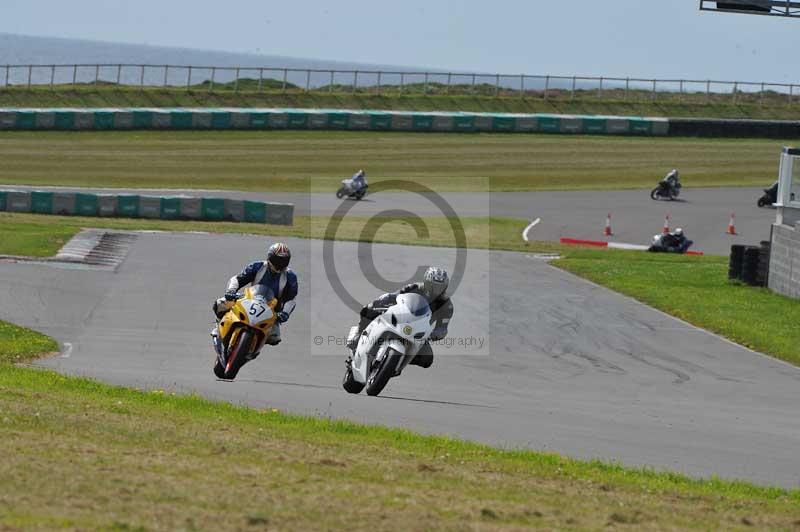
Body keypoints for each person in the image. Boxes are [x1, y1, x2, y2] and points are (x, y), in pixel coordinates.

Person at [346, 266, 453, 369]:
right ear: (426, 283)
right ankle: (358, 335)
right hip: (400, 317)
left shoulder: (446, 305)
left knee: (427, 359)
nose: (436, 290)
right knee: (368, 310)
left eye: (440, 287)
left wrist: (433, 335)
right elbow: (394, 296)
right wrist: (379, 303)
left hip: (418, 331)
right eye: (433, 286)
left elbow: (443, 328)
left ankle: (396, 363)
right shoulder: (414, 287)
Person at [211, 242, 298, 353]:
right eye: (277, 260)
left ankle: (253, 350)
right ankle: (218, 326)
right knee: (220, 304)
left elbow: (291, 298)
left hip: (272, 312)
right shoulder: (257, 266)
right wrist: (231, 291)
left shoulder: (290, 277)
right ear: (270, 257)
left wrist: (285, 313)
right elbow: (237, 279)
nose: (280, 264)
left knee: (274, 338)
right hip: (248, 300)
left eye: (284, 260)